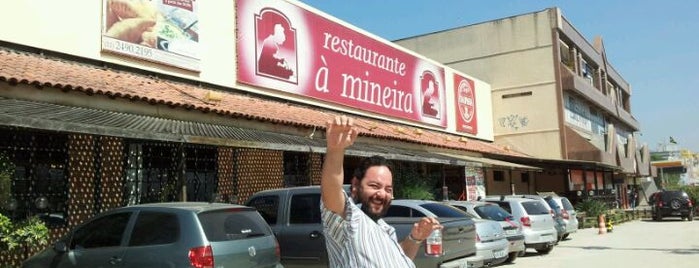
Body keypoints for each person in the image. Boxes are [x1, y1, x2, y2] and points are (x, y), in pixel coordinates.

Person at [320, 115, 442, 268]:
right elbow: (331, 192)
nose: (382, 194)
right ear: (356, 186)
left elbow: (398, 257)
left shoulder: (385, 228)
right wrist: (335, 150)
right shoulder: (350, 222)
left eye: (388, 189)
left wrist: (415, 238)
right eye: (374, 186)